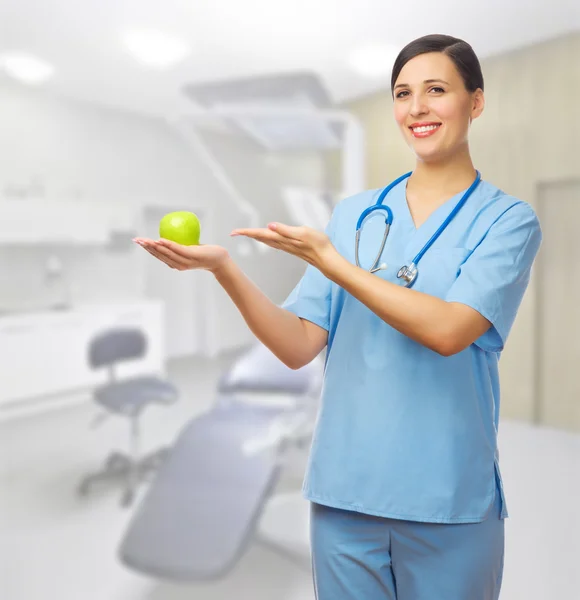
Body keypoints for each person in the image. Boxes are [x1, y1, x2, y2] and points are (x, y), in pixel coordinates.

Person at [134, 33, 542, 600]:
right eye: (402, 94)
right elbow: (300, 343)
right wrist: (223, 269)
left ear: (475, 101)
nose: (416, 107)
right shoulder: (355, 214)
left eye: (435, 90)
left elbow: (450, 330)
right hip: (344, 499)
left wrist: (332, 260)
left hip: (449, 500)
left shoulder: (507, 221)